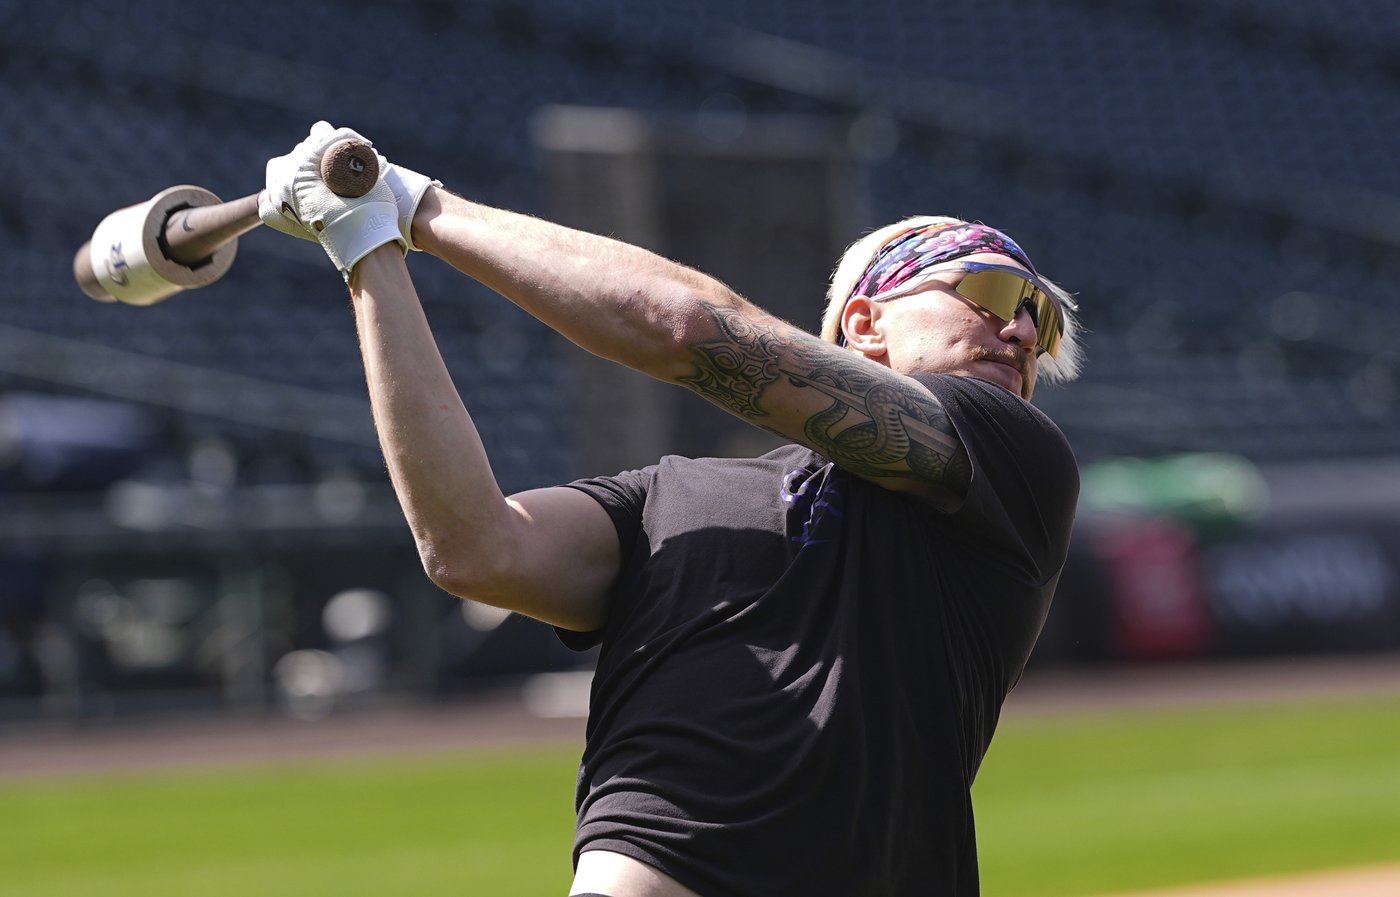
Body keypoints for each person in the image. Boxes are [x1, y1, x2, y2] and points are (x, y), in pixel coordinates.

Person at [259, 122, 1084, 897]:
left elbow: (685, 330)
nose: (1019, 330)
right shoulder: (665, 495)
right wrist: (366, 246)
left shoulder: (1013, 459)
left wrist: (414, 205)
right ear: (864, 322)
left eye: (1039, 319)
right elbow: (474, 548)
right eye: (992, 289)